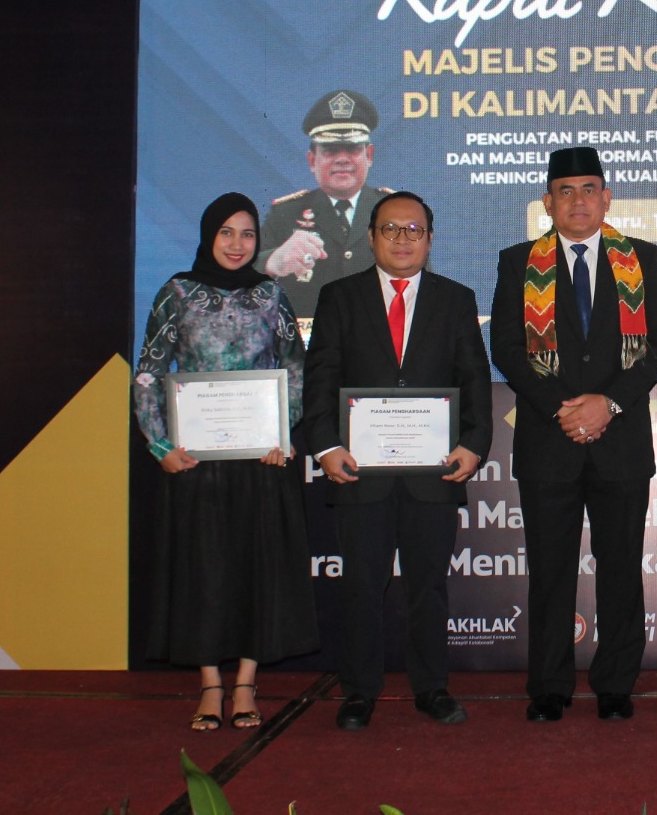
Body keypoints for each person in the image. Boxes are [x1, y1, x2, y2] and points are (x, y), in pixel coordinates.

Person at [490, 147, 657, 723]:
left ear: (606, 198)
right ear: (548, 202)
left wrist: (608, 404)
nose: (577, 201)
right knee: (549, 571)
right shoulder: (518, 262)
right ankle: (549, 685)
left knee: (621, 567)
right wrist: (562, 410)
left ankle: (616, 683)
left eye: (589, 189)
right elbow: (507, 349)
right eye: (565, 191)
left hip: (621, 441)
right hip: (549, 441)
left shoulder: (642, 258)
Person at [302, 191, 492, 730]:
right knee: (361, 585)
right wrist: (326, 446)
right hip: (359, 470)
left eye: (414, 230)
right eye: (390, 229)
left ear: (430, 239)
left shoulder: (456, 299)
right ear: (371, 237)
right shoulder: (339, 297)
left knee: (428, 586)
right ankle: (359, 692)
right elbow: (321, 379)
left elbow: (474, 380)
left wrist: (474, 443)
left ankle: (432, 688)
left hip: (434, 470)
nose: (402, 239)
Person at [132, 192, 317, 731]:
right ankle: (211, 684)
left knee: (258, 570)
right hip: (197, 461)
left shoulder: (271, 295)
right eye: (226, 233)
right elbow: (148, 372)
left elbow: (297, 369)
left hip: (261, 460)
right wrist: (160, 446)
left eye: (248, 234)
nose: (237, 244)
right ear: (209, 236)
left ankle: (246, 683)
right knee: (204, 574)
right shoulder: (177, 293)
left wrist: (284, 432)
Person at [262, 89, 392, 320]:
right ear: (312, 160)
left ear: (369, 155)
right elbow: (241, 277)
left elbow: (423, 292)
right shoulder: (285, 214)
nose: (342, 159)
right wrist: (273, 262)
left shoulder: (398, 214)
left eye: (352, 148)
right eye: (330, 150)